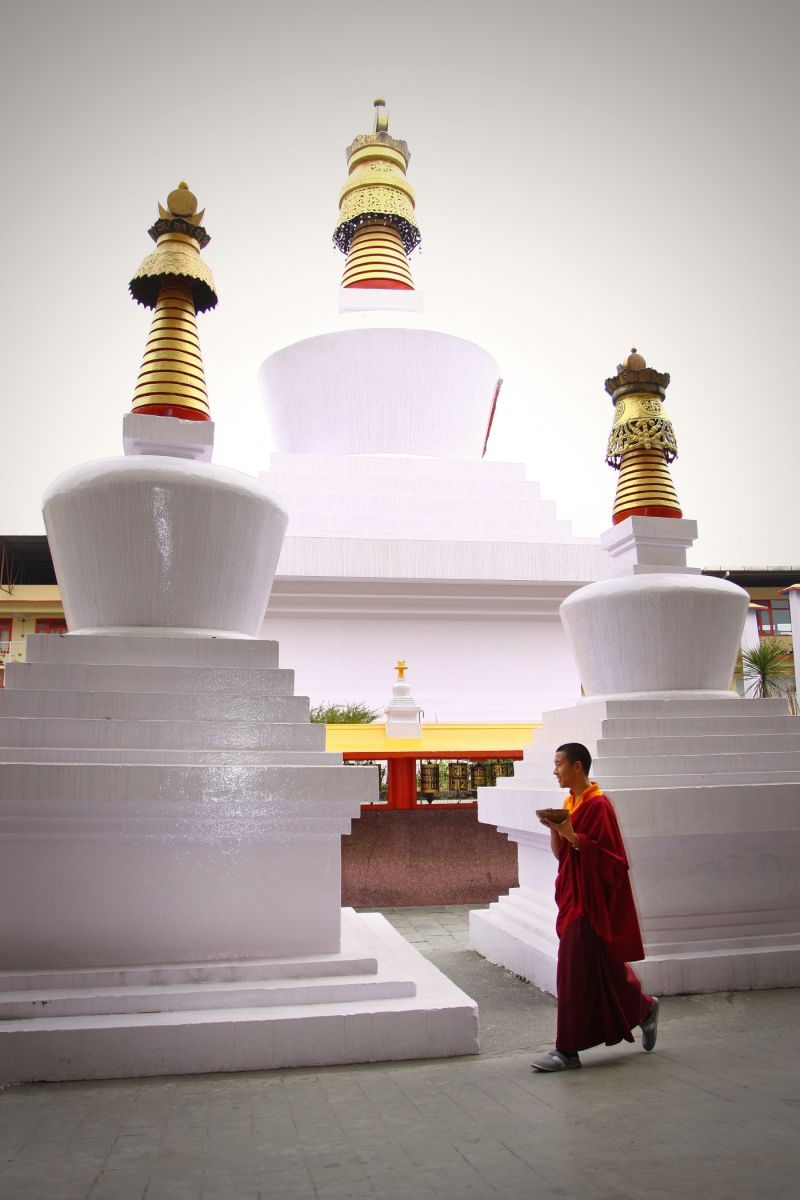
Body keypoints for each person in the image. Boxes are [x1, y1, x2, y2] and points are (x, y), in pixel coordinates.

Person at [531, 742, 659, 1072]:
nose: (555, 770)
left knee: (571, 969)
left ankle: (567, 1050)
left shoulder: (599, 805)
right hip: (574, 894)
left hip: (589, 903)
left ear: (577, 767)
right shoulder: (569, 803)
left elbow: (613, 860)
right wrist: (557, 832)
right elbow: (563, 857)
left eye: (559, 764)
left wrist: (574, 836)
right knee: (602, 965)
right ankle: (643, 1008)